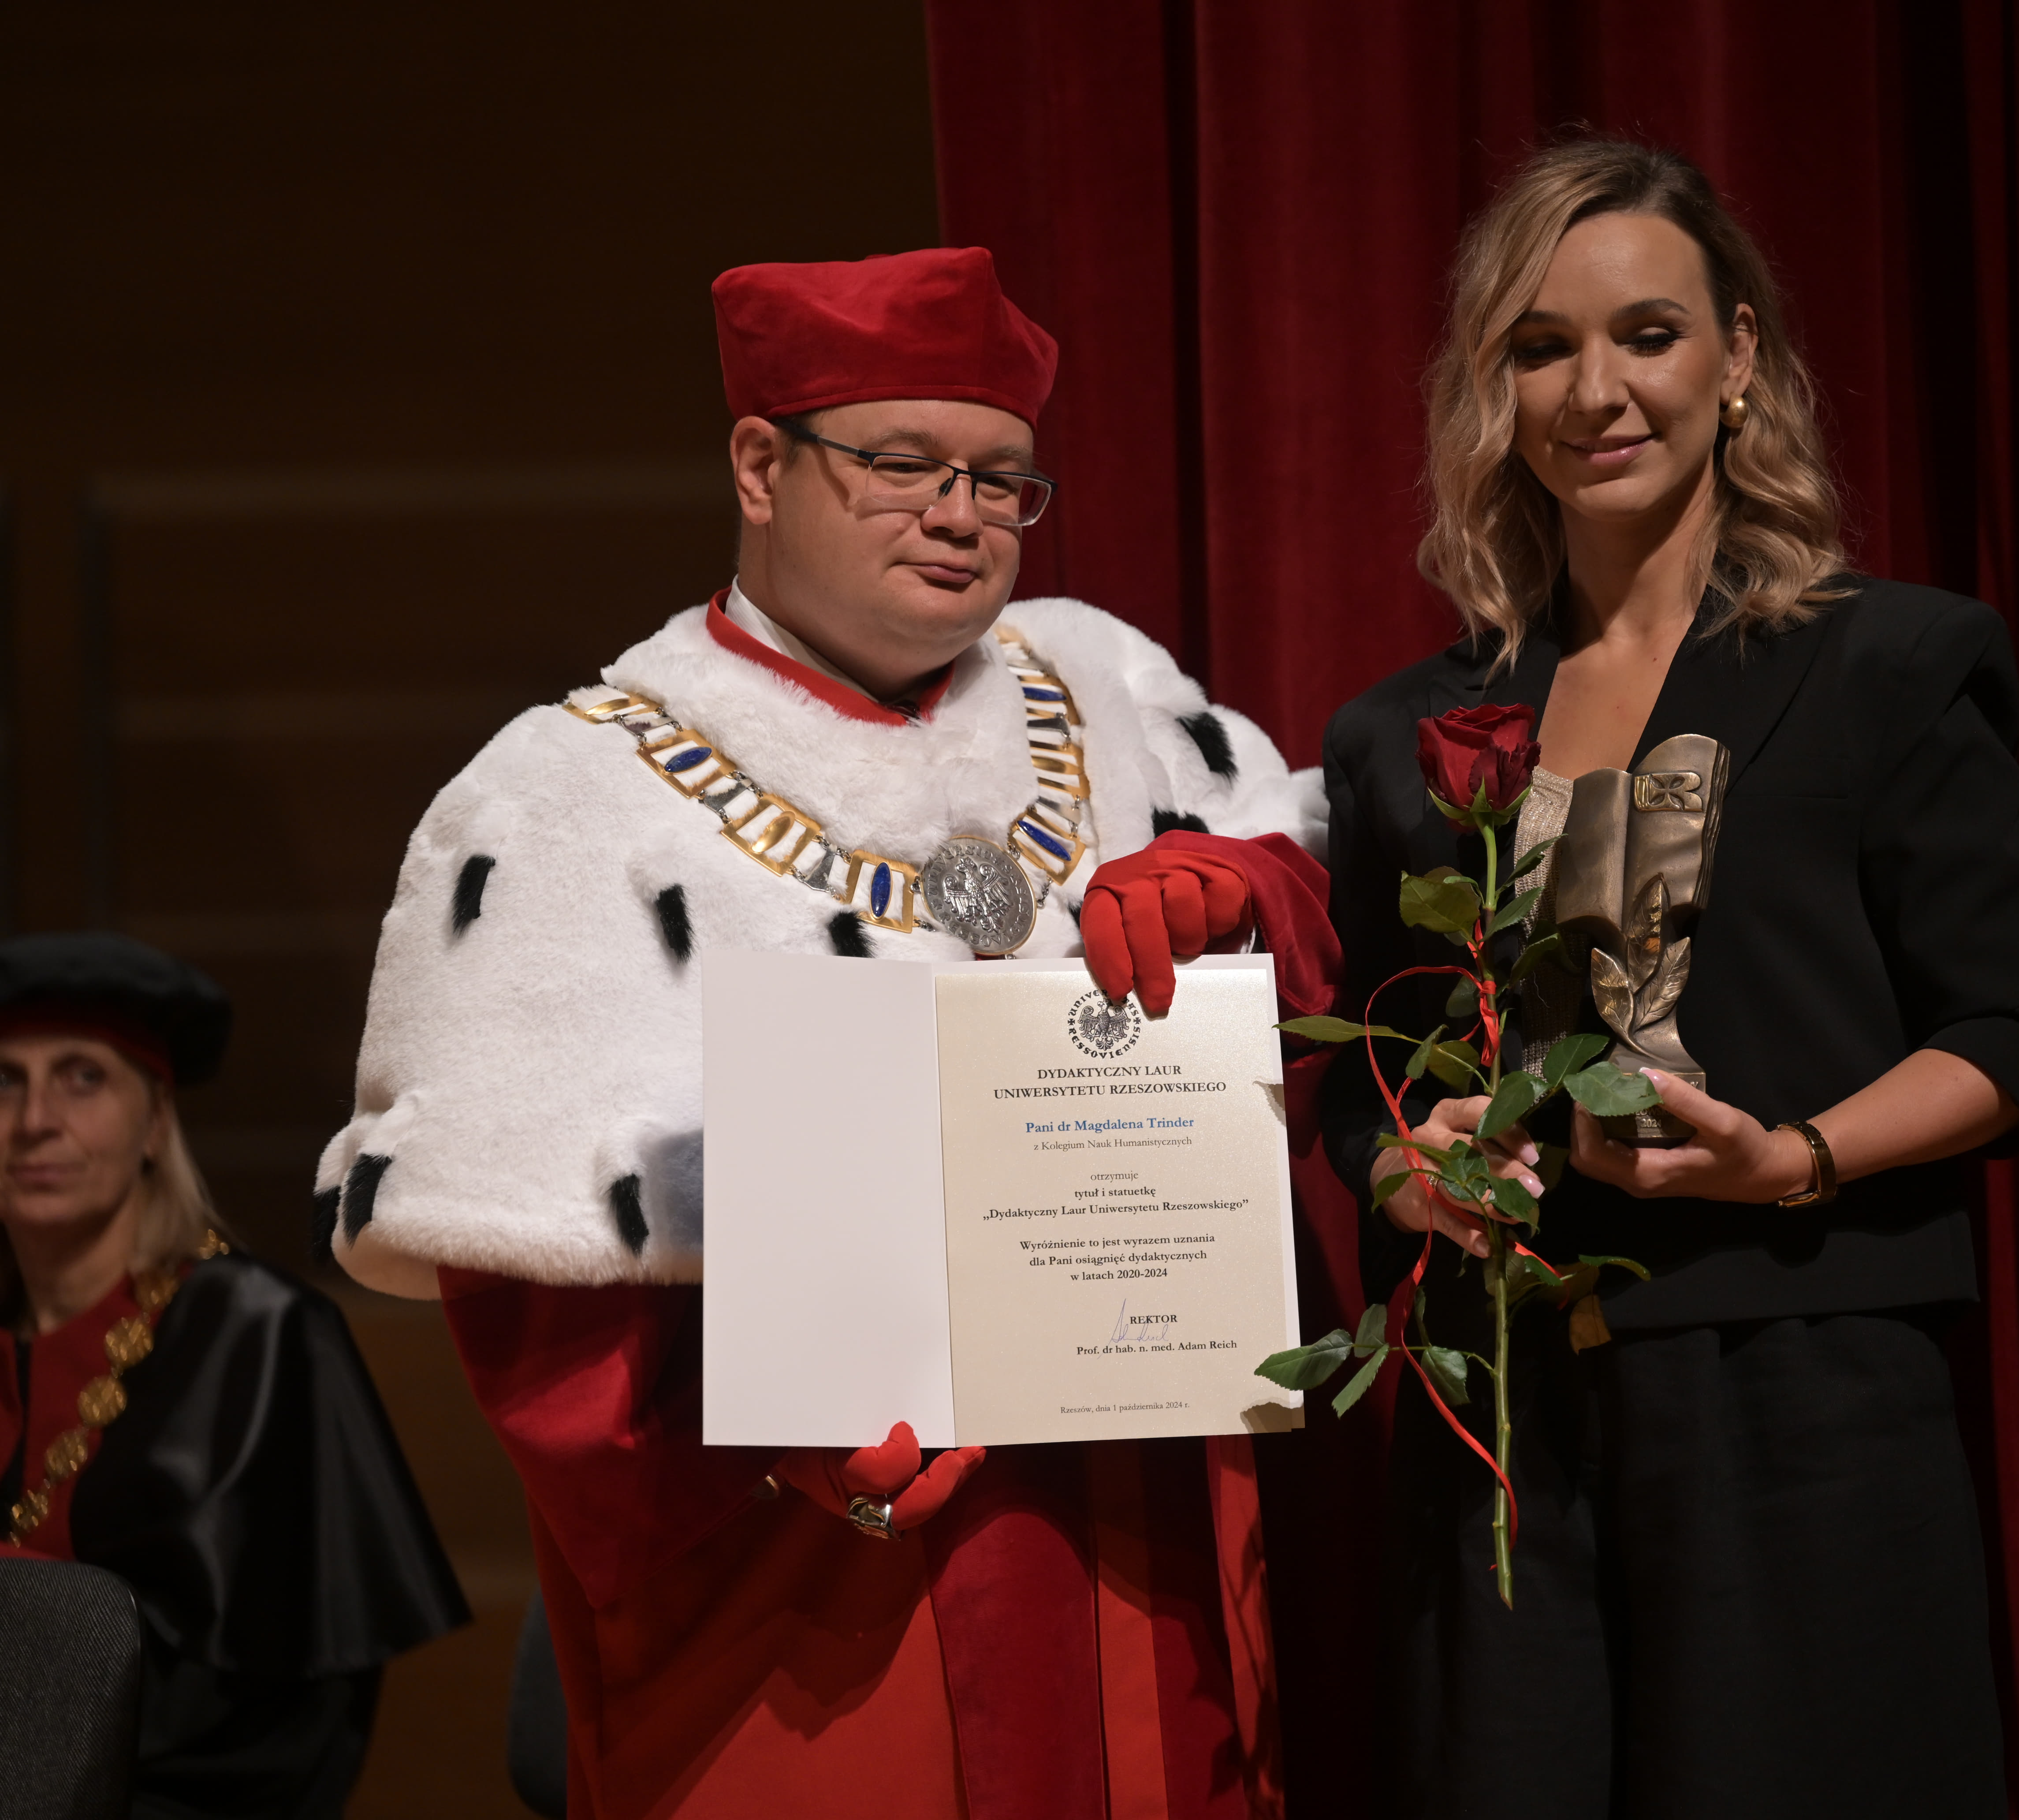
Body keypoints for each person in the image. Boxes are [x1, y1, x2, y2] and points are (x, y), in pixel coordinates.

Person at [318, 246, 1335, 1820]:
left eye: (998, 479)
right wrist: (757, 1434)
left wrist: (1252, 887)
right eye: (902, 464)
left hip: (1134, 1547)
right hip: (812, 1599)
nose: (959, 514)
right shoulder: (568, 795)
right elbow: (520, 1287)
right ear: (758, 465)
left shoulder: (1112, 697)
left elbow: (1326, 982)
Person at [1319, 139, 2019, 1817]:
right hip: (1504, 1417)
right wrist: (1407, 1168)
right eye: (1542, 347)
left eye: (1649, 335)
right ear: (1494, 390)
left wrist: (1795, 1157)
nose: (1595, 391)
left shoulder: (1893, 664)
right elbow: (1364, 1064)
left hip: (1803, 1383)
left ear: (1739, 355)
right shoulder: (1408, 730)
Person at [0, 932, 467, 1819]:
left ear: (155, 1123)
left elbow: (289, 1715)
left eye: (83, 1077)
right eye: (4, 1081)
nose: (34, 1121)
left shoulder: (260, 1335)